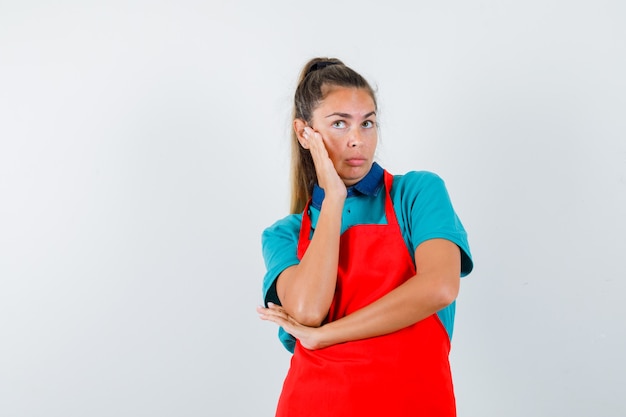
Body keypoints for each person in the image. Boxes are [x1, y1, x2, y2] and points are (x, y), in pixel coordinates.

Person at [257, 57, 473, 417]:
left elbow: (439, 287)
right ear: (304, 133)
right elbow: (308, 312)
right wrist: (333, 198)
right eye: (340, 124)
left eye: (367, 123)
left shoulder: (417, 193)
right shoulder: (285, 234)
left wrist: (326, 336)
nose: (358, 140)